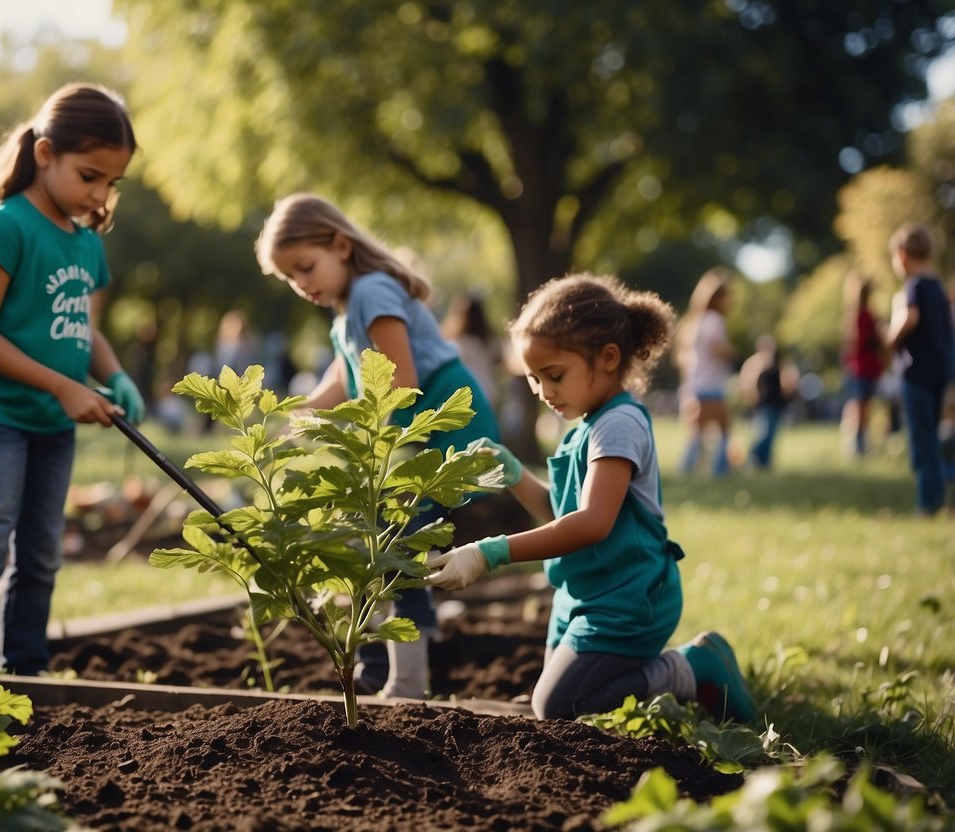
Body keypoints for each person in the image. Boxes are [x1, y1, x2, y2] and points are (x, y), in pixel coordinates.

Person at [425, 273, 756, 725]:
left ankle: (690, 669)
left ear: (607, 358)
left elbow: (592, 523)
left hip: (629, 598)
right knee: (553, 707)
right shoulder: (584, 424)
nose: (544, 392)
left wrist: (491, 552)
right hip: (583, 593)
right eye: (535, 380)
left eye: (554, 375)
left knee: (559, 707)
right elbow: (560, 512)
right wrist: (513, 473)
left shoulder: (617, 425)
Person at [0, 82, 146, 675]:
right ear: (45, 154)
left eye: (110, 182)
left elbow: (83, 328)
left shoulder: (86, 245)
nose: (100, 195)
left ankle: (25, 668)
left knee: (43, 553)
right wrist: (61, 385)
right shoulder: (6, 227)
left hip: (53, 421)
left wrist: (114, 375)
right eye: (89, 176)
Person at [255, 192, 502, 699]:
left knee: (392, 544)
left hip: (449, 428)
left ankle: (408, 681)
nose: (302, 284)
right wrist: (299, 414)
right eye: (290, 278)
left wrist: (350, 435)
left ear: (341, 244)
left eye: (305, 267)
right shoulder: (347, 308)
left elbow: (400, 381)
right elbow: (344, 380)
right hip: (419, 433)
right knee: (387, 539)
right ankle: (388, 659)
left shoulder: (372, 292)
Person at [885, 222, 953, 516]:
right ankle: (937, 497)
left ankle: (928, 503)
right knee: (933, 436)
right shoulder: (938, 287)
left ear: (902, 255)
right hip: (939, 372)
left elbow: (910, 319)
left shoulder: (913, 287)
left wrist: (890, 337)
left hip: (916, 374)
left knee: (921, 440)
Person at [675, 268, 736, 476]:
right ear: (718, 298)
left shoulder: (693, 321)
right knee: (724, 427)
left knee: (697, 431)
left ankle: (687, 468)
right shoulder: (714, 320)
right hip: (710, 384)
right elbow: (716, 347)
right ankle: (720, 468)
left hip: (694, 383)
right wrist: (732, 351)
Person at [839, 275, 886, 457]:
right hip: (863, 367)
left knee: (861, 406)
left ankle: (859, 444)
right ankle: (857, 444)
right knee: (860, 407)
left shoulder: (861, 316)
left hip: (862, 367)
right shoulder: (864, 316)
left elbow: (853, 344)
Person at [738, 334, 796, 470]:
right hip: (762, 404)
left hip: (776, 403)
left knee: (772, 434)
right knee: (764, 433)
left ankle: (765, 464)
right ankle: (752, 457)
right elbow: (746, 382)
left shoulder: (778, 362)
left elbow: (787, 381)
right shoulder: (755, 363)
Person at [441, 292, 503, 408]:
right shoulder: (489, 338)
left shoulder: (456, 341)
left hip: (463, 393)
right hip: (488, 391)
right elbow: (499, 361)